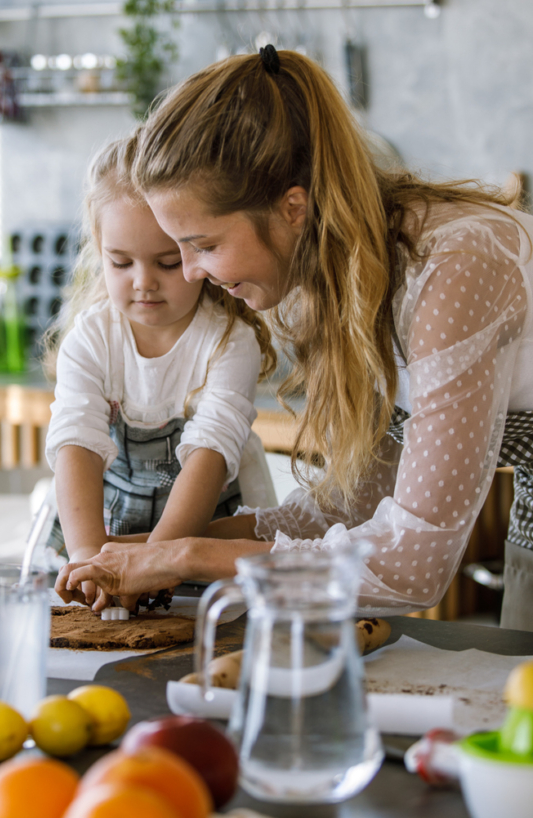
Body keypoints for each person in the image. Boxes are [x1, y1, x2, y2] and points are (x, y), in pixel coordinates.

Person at [61, 47, 533, 627]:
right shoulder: (333, 281)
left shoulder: (452, 269)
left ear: (292, 209)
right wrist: (150, 552)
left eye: (203, 245)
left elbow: (414, 565)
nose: (188, 273)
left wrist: (188, 554)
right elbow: (347, 507)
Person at [46, 133, 277, 608]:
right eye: (120, 261)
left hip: (205, 547)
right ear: (99, 250)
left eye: (168, 262)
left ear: (198, 251)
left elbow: (209, 453)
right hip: (104, 536)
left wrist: (155, 565)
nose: (144, 281)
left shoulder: (230, 344)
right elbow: (77, 446)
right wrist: (92, 559)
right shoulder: (91, 340)